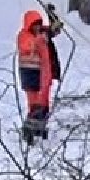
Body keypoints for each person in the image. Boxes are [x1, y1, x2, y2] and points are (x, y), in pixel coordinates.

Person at [15, 7, 64, 141]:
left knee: (43, 105)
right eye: (34, 25)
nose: (37, 27)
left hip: (43, 75)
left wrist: (52, 15)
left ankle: (39, 128)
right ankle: (29, 130)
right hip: (30, 74)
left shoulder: (42, 34)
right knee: (34, 105)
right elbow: (28, 46)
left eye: (38, 24)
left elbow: (53, 30)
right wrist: (41, 39)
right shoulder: (24, 36)